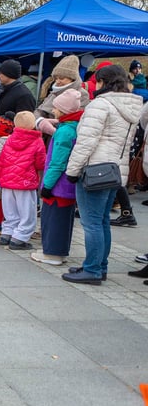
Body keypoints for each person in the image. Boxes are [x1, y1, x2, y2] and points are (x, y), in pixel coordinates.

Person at [62, 64, 142, 284]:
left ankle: (93, 269)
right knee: (102, 221)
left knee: (92, 223)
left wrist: (72, 170)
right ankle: (98, 265)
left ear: (102, 82)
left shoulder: (101, 105)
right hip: (115, 171)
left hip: (94, 170)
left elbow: (86, 142)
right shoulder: (132, 105)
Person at [31, 89, 82, 266]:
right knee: (63, 219)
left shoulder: (64, 132)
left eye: (56, 108)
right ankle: (57, 251)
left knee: (53, 218)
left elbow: (57, 162)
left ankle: (53, 254)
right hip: (67, 185)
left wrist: (47, 185)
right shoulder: (73, 126)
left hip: (59, 184)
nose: (54, 111)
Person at [0, 111, 45, 250]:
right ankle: (20, 238)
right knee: (27, 212)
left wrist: (1, 178)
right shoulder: (37, 141)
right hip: (25, 182)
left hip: (7, 181)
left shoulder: (9, 139)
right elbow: (40, 163)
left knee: (10, 210)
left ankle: (7, 233)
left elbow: (2, 160)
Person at [34, 55, 89, 136]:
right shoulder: (54, 92)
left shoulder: (81, 94)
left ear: (72, 78)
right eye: (56, 78)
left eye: (62, 78)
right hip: (44, 136)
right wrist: (40, 121)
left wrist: (52, 127)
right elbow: (39, 110)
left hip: (62, 136)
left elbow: (76, 119)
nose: (58, 81)